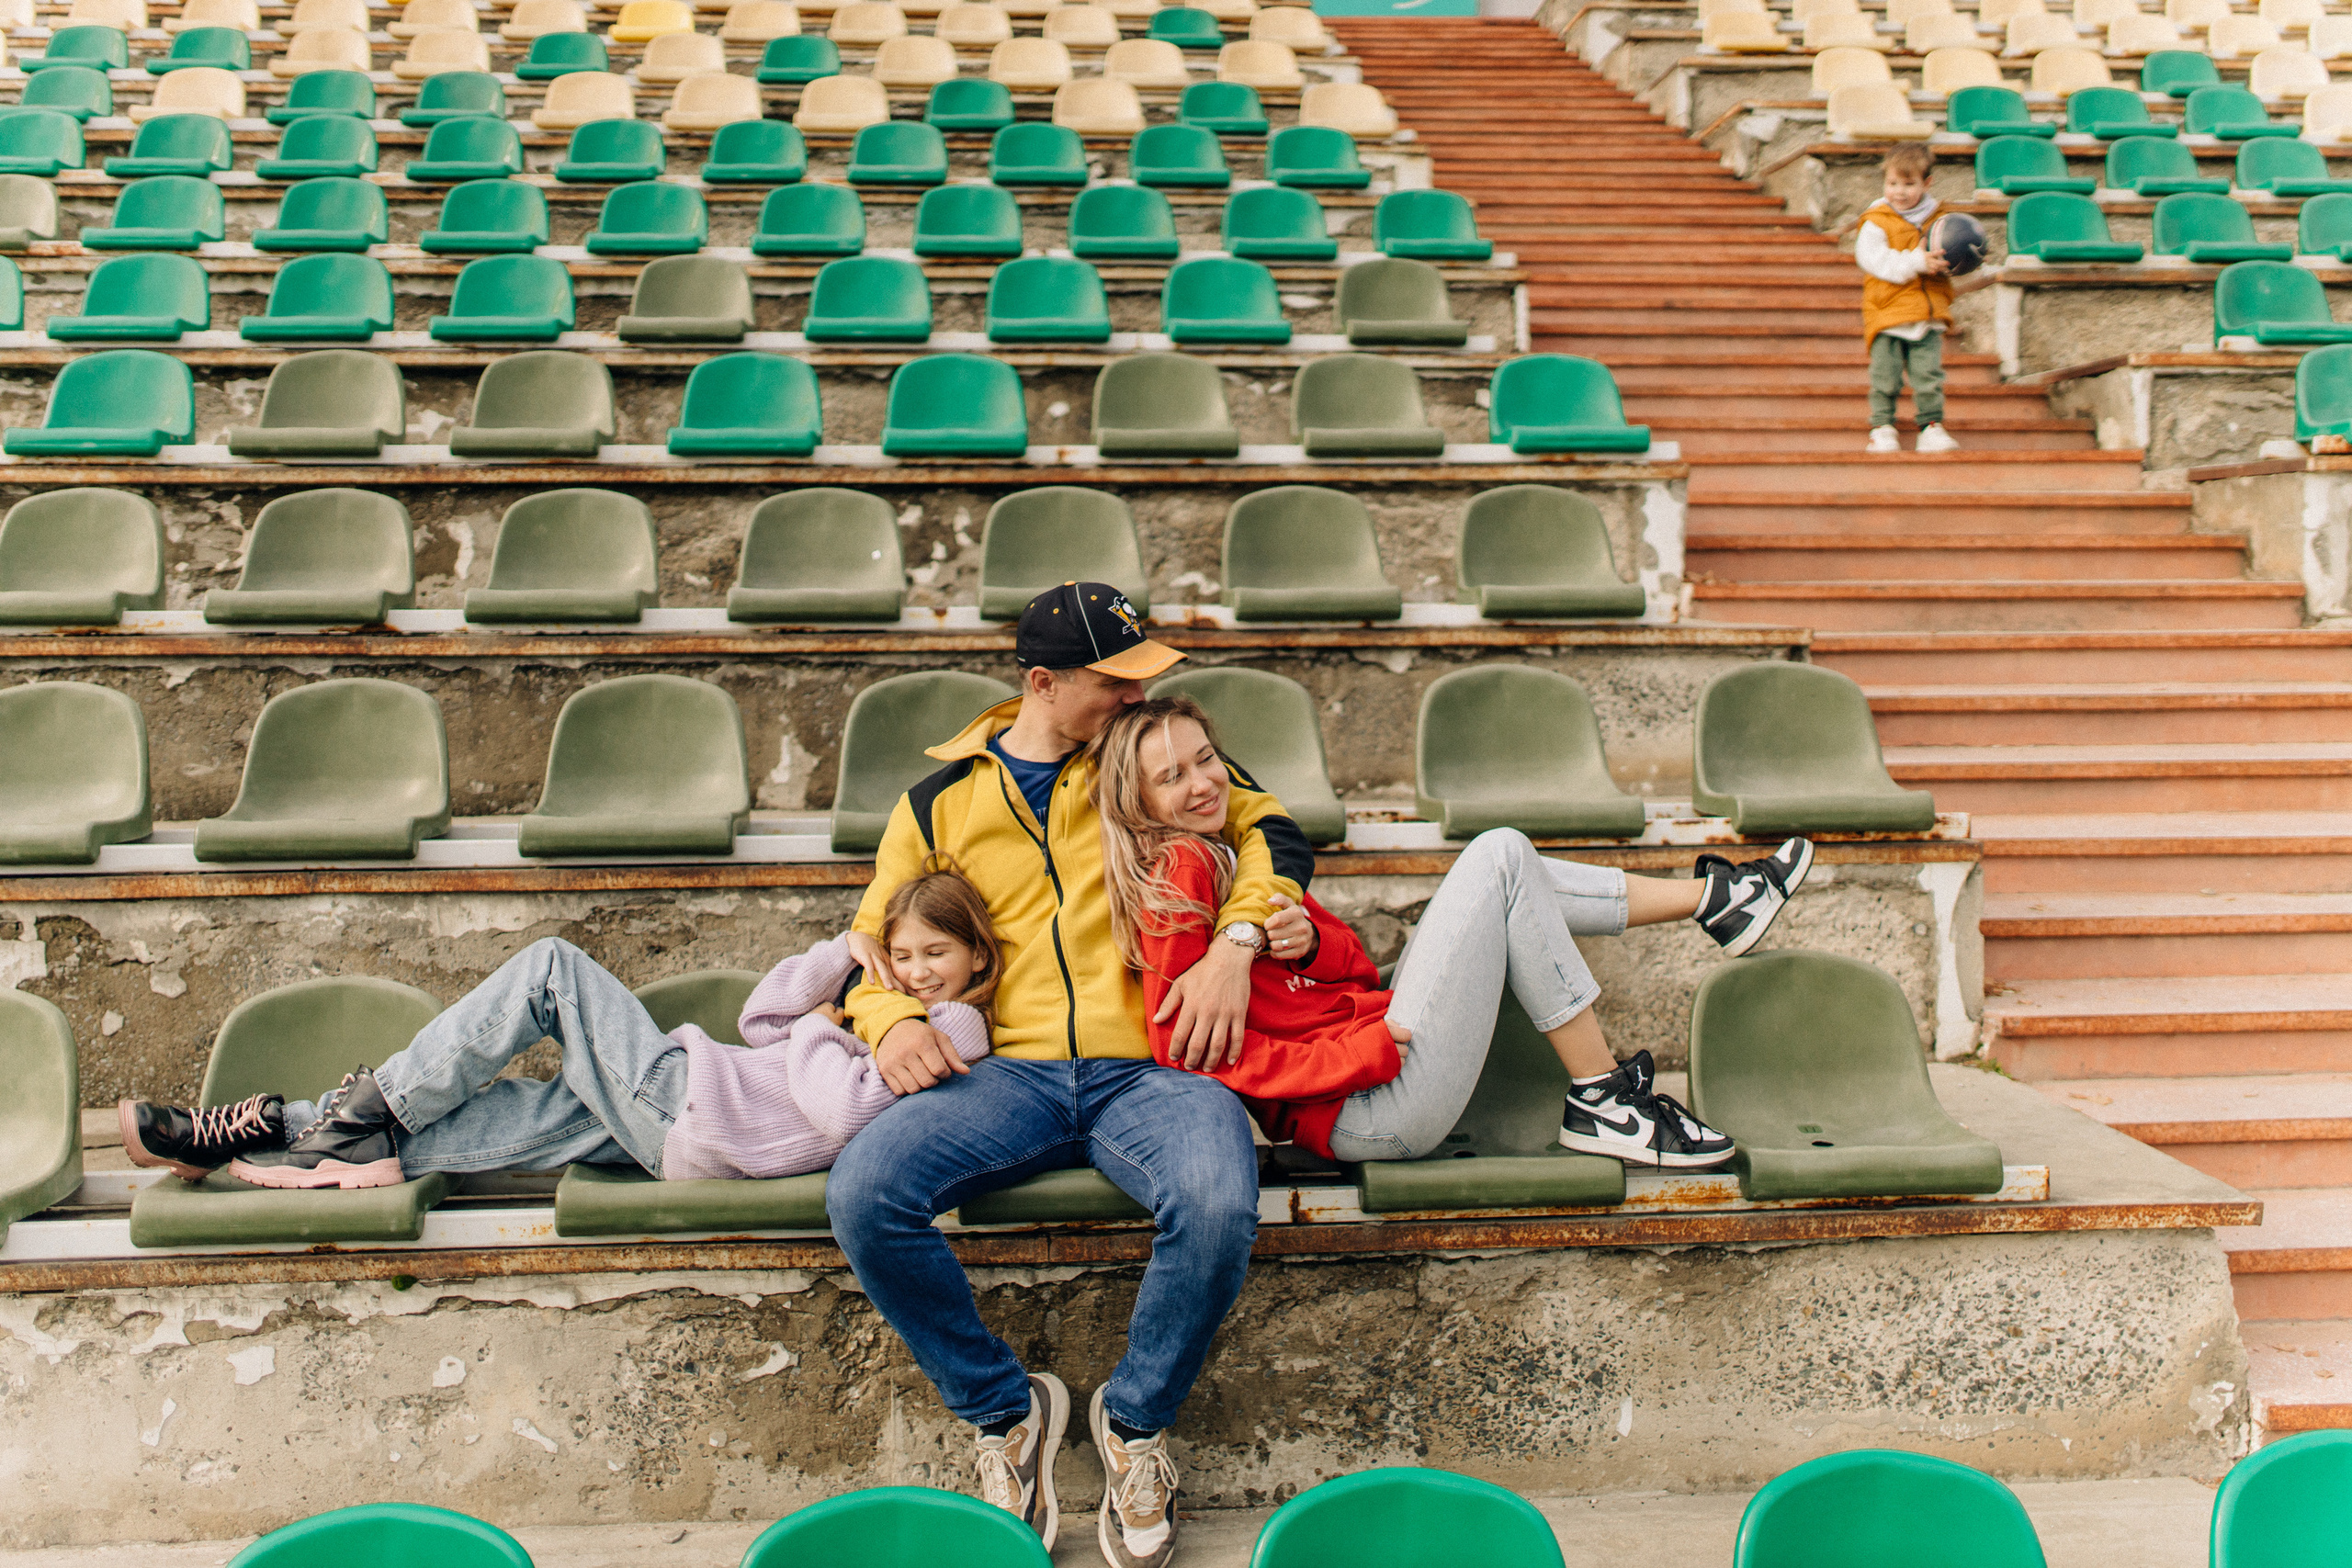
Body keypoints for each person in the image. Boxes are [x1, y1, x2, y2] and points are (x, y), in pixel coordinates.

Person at [824, 581, 1319, 1568]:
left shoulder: (1140, 760)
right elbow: (870, 946)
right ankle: (1009, 1417)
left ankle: (1134, 1427)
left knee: (1219, 1200)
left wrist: (1238, 937)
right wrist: (884, 1027)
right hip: (1009, 1075)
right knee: (865, 1191)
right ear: (1043, 683)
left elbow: (1273, 833)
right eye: (1113, 681)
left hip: (1153, 1069)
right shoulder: (940, 801)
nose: (1136, 697)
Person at [1089, 695, 1815, 1167]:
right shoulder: (1177, 873)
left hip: (1374, 1063)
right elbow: (1191, 1057)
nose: (1201, 782)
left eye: (1207, 759)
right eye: (1171, 776)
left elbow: (1351, 975)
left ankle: (1716, 900)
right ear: (1139, 798)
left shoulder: (1233, 857)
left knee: (1509, 866)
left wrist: (1309, 944)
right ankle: (1605, 1092)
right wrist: (1359, 1054)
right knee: (1500, 855)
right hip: (1363, 1106)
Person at [115, 868, 1004, 1190]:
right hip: (688, 1119)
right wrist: (841, 955)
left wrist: (825, 1026)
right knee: (490, 1122)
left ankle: (360, 1113)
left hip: (694, 1107)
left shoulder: (956, 1032)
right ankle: (272, 1138)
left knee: (551, 968)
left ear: (976, 958)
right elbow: (759, 1017)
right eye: (904, 954)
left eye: (936, 955)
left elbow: (842, 1115)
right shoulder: (877, 1006)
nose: (916, 973)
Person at [1857, 142, 1995, 457]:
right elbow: (1875, 261)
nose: (1899, 192)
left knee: (1928, 375)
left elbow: (1953, 254)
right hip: (1887, 312)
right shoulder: (1876, 220)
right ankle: (1882, 427)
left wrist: (1964, 259)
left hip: (1928, 311)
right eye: (1893, 184)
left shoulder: (1942, 220)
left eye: (1909, 184)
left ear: (1927, 183)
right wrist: (1919, 261)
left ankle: (1931, 427)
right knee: (1885, 375)